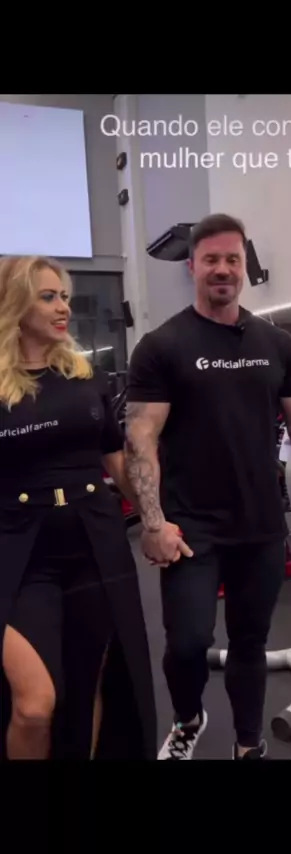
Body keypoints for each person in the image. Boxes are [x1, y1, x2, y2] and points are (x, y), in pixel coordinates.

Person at [125, 213, 291, 760]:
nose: (223, 269)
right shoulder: (162, 345)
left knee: (249, 642)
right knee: (187, 643)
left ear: (244, 266)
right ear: (192, 267)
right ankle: (188, 718)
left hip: (258, 525)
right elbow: (141, 438)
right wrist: (153, 523)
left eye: (233, 260)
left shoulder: (275, 343)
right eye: (211, 260)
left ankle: (248, 742)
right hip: (190, 527)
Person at [0, 255, 157, 760]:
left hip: (95, 544)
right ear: (16, 304)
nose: (63, 307)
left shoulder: (85, 376)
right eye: (48, 297)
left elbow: (117, 459)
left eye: (64, 296)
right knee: (35, 704)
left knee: (90, 683)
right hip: (19, 554)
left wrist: (156, 521)